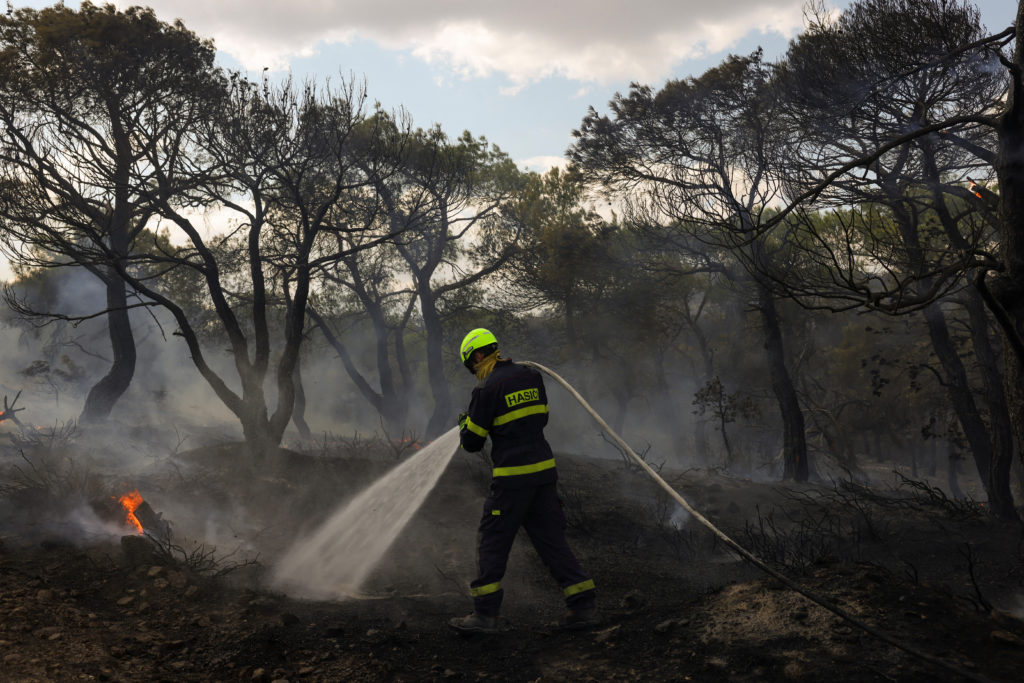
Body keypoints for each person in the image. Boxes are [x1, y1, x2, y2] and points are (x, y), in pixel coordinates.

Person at [448, 327, 598, 634]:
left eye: (471, 364)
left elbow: (473, 443)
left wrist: (466, 423)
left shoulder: (486, 389)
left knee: (492, 542)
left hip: (512, 481)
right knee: (552, 541)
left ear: (478, 355)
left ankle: (485, 616)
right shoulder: (531, 376)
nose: (473, 371)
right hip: (543, 475)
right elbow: (540, 417)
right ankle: (583, 606)